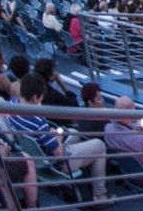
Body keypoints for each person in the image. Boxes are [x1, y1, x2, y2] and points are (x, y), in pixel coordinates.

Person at [8, 73, 113, 207]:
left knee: (74, 133)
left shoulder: (12, 105)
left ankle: (85, 169)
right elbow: (59, 152)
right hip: (56, 163)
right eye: (40, 98)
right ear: (35, 97)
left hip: (39, 153)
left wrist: (49, 135)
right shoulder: (37, 120)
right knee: (99, 145)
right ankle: (100, 195)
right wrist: (56, 138)